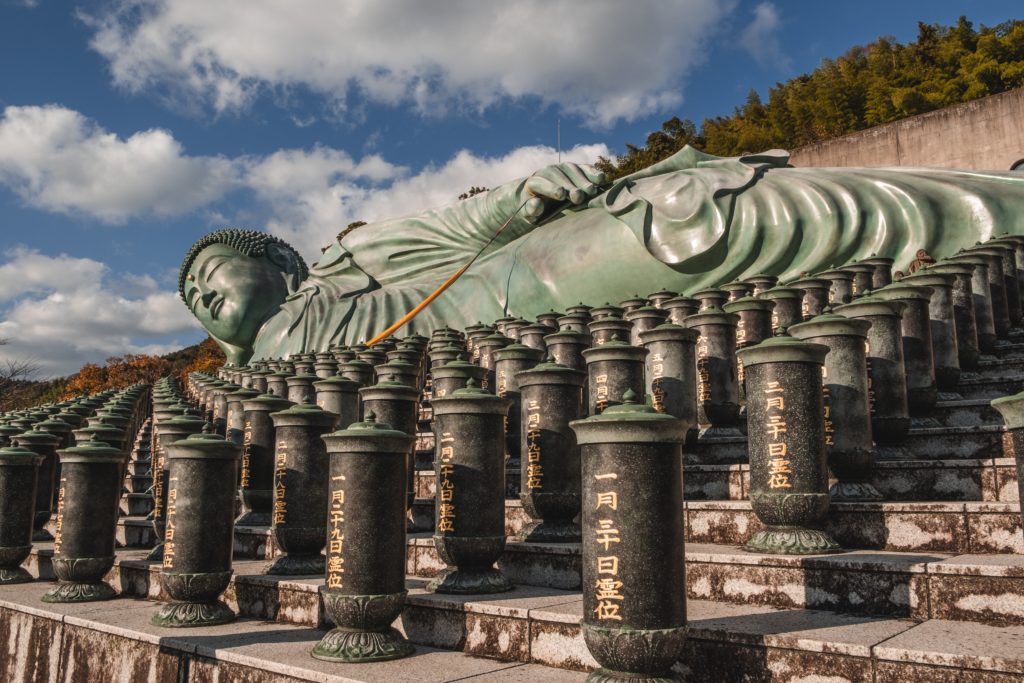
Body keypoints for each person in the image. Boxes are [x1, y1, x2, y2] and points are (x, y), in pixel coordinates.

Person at [180, 146, 1024, 364]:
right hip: (519, 335)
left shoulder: (344, 264)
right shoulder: (258, 361)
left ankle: (996, 203)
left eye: (206, 275)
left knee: (693, 212)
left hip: (526, 275)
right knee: (703, 230)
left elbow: (452, 231)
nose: (201, 296)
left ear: (277, 260)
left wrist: (519, 201)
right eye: (193, 304)